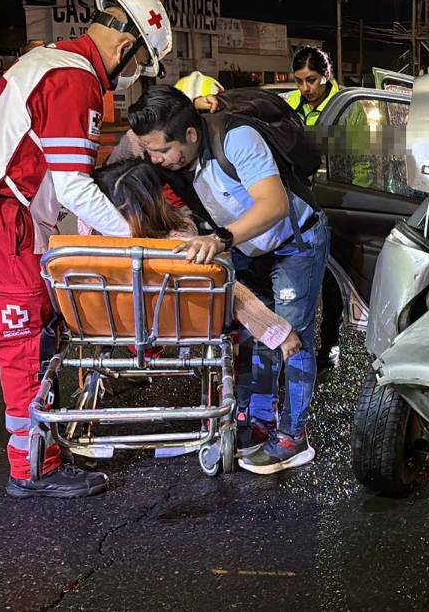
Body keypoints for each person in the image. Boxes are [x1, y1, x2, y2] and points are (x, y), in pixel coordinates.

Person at [0, 0, 172, 499]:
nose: (131, 78)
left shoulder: (50, 61)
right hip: (3, 220)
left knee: (41, 328)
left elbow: (62, 174)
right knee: (22, 343)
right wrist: (133, 238)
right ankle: (32, 469)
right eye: (137, 66)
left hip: (2, 214)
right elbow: (72, 185)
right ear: (126, 47)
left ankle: (40, 441)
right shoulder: (76, 80)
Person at [128, 85, 330, 474]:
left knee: (291, 335)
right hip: (247, 246)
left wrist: (220, 240)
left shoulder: (236, 139)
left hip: (293, 241)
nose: (155, 159)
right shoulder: (166, 149)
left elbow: (275, 204)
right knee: (258, 332)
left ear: (190, 135)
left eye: (161, 151)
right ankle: (259, 420)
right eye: (149, 151)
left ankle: (293, 436)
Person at [90, 157, 302, 362]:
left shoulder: (87, 243)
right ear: (155, 199)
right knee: (221, 280)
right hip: (179, 320)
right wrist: (279, 333)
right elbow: (233, 293)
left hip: (108, 319)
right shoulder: (181, 243)